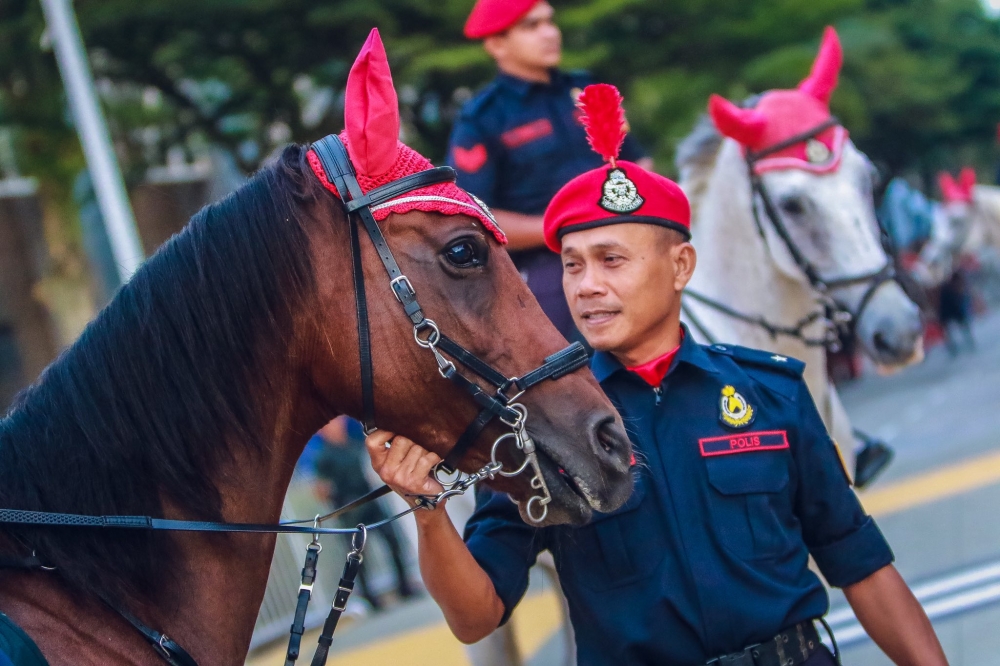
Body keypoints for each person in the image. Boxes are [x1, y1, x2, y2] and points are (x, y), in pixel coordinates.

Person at [365, 85, 948, 665]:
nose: (587, 284)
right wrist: (428, 510)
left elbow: (862, 565)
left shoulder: (773, 393)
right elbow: (476, 617)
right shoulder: (538, 430)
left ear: (680, 267)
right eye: (573, 265)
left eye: (611, 260)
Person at [448, 0, 651, 339]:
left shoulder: (585, 89)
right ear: (496, 44)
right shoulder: (483, 117)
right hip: (548, 265)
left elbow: (639, 160)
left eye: (549, 22)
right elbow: (472, 215)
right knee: (568, 363)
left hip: (625, 239)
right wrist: (563, 227)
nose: (550, 33)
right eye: (532, 26)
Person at [311, 417, 415, 610]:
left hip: (369, 500)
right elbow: (320, 490)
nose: (337, 426)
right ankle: (369, 598)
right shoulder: (323, 457)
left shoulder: (354, 443)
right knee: (358, 557)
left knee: (392, 540)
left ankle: (404, 585)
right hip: (349, 507)